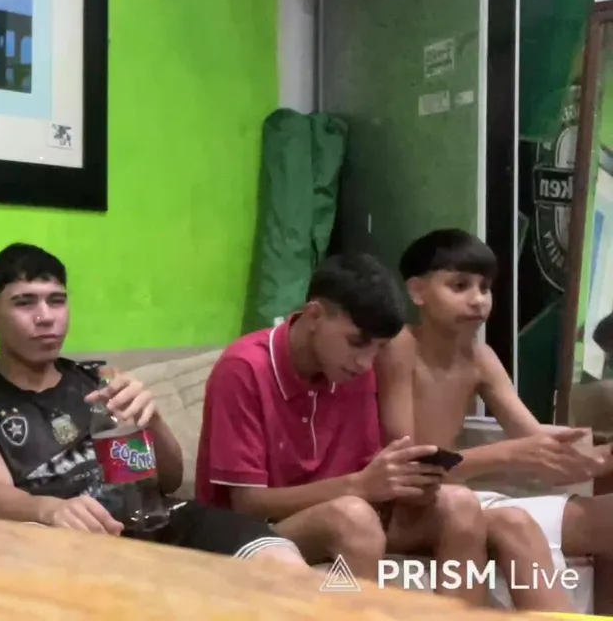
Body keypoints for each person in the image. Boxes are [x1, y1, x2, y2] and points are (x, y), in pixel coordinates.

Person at [0, 243, 306, 567]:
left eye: (57, 300)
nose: (45, 316)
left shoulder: (100, 380)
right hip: (81, 538)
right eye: (24, 302)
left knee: (280, 562)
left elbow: (166, 479)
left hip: (159, 520)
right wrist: (50, 509)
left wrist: (152, 420)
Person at [196, 253, 493, 606]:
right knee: (353, 517)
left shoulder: (352, 370)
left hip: (349, 510)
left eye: (378, 349)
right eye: (357, 342)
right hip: (251, 531)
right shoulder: (244, 368)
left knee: (460, 504)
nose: (366, 363)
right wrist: (359, 485)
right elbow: (247, 504)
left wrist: (405, 487)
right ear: (314, 316)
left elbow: (366, 476)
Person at [378, 228, 613, 612]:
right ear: (417, 291)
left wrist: (594, 458)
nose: (477, 299)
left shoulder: (481, 356)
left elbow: (534, 438)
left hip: (459, 498)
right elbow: (409, 467)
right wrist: (509, 454)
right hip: (406, 510)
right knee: (507, 521)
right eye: (460, 286)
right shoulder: (400, 347)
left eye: (485, 288)